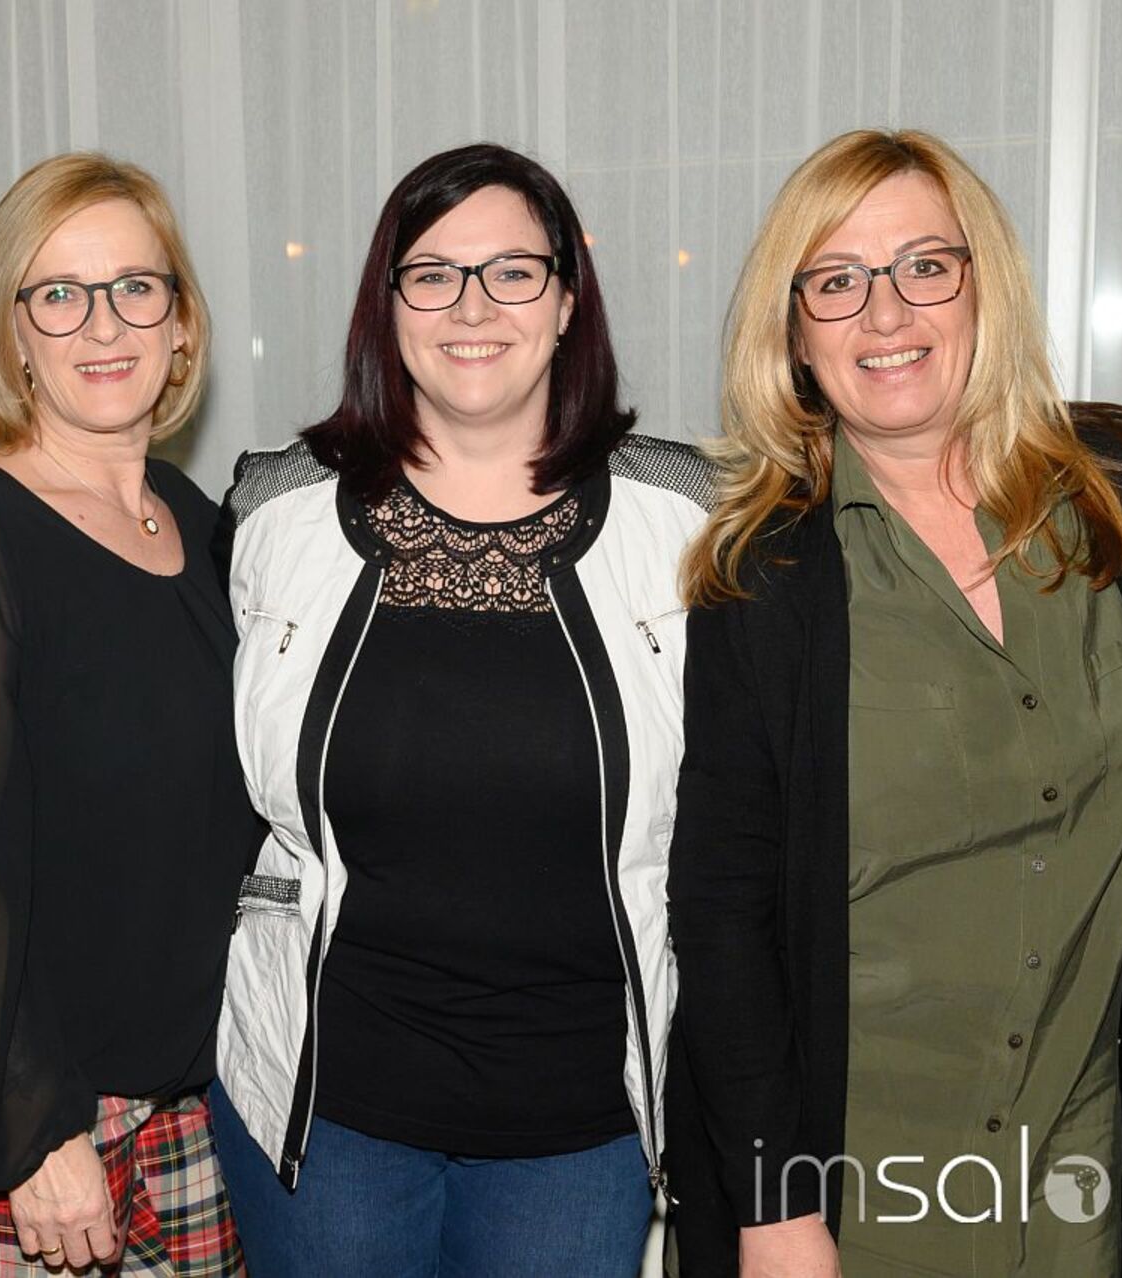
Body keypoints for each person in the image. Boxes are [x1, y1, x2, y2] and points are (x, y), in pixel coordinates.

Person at [666, 127, 1122, 1277]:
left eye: (925, 265)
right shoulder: (765, 579)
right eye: (837, 281)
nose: (885, 312)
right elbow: (721, 908)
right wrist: (774, 1204)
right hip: (852, 1181)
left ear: (984, 286)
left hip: (1081, 1164)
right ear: (795, 333)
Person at [209, 142, 708, 1277]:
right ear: (387, 307)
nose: (471, 307)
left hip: (579, 1123)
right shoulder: (271, 508)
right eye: (432, 275)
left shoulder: (691, 517)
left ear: (568, 302)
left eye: (513, 273)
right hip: (324, 1114)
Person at [0, 153, 253, 1277]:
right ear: (14, 334)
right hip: (30, 1106)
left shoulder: (197, 523)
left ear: (182, 322)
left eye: (136, 286)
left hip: (189, 1090)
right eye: (61, 294)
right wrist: (33, 1127)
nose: (104, 323)